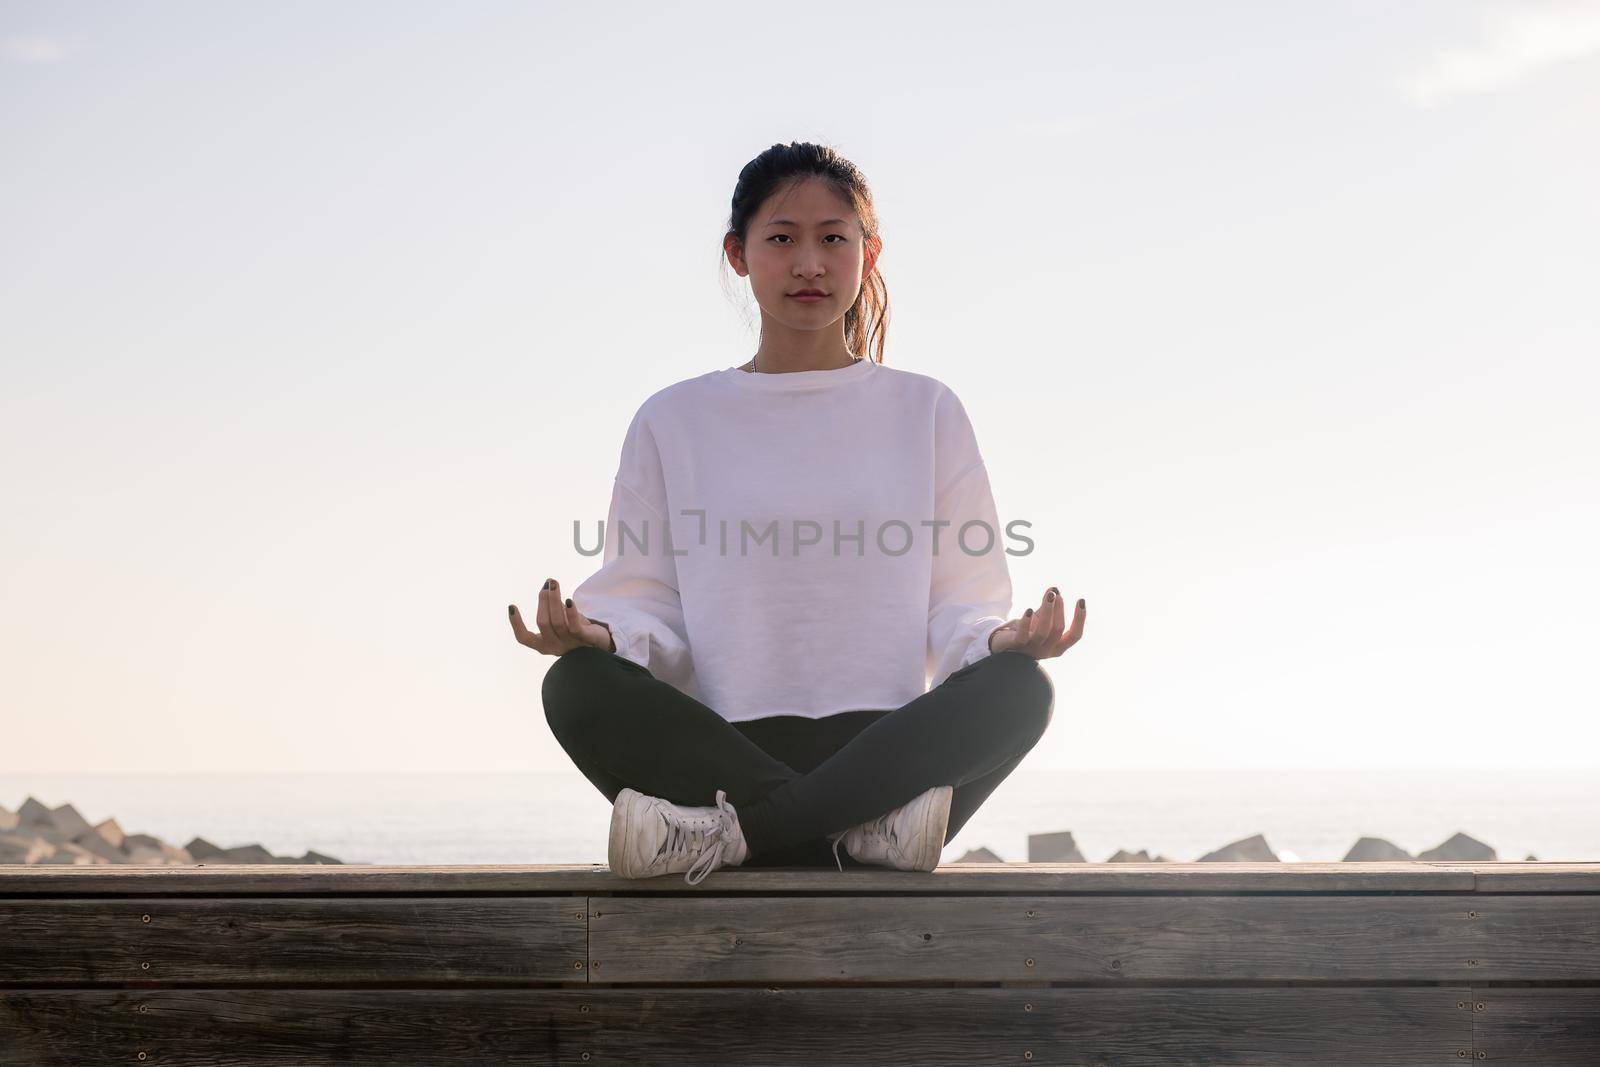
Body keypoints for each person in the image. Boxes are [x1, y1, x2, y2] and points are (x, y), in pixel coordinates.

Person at [509, 141, 1086, 886]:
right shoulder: (674, 418)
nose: (809, 263)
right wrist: (600, 634)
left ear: (867, 254)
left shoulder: (927, 410)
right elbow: (646, 597)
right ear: (738, 255)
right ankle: (855, 835)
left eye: (833, 239)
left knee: (1021, 689)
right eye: (782, 238)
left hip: (884, 752)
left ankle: (732, 838)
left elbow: (961, 603)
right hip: (720, 753)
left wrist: (1000, 638)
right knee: (575, 685)